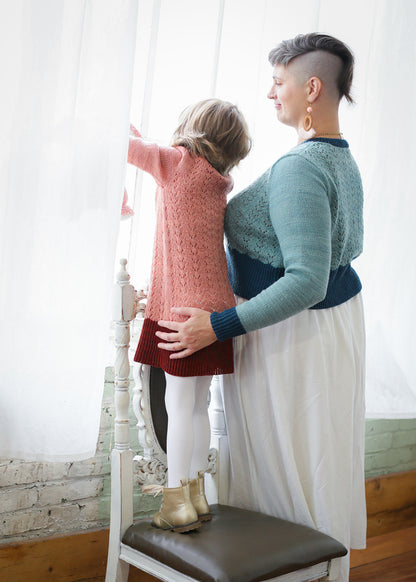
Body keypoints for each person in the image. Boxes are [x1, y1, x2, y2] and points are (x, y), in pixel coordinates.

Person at [156, 33, 365, 580]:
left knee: (283, 475)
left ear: (311, 88)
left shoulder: (300, 168)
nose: (271, 93)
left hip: (290, 338)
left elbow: (305, 282)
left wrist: (218, 324)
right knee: (307, 465)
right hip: (317, 333)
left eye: (279, 82)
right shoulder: (336, 158)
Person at [128, 99, 251, 533]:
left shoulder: (177, 163)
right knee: (198, 407)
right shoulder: (217, 181)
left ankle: (176, 501)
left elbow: (127, 147)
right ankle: (195, 494)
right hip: (217, 310)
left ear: (191, 129)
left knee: (178, 408)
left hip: (182, 310)